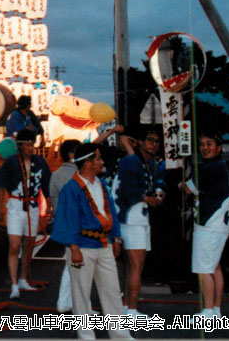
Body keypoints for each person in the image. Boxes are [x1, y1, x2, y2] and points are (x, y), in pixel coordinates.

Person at [52, 143, 130, 339]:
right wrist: (74, 248)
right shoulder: (72, 188)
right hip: (81, 246)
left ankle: (120, 334)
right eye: (98, 158)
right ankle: (86, 336)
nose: (102, 162)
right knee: (81, 294)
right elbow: (68, 218)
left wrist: (116, 238)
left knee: (112, 291)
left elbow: (111, 211)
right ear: (87, 163)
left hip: (104, 244)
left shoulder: (101, 184)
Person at [111, 129, 164, 317]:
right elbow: (125, 190)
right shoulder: (132, 161)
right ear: (139, 142)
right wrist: (147, 199)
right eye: (150, 140)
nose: (153, 144)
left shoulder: (146, 163)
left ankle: (127, 306)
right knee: (136, 266)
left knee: (131, 266)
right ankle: (132, 310)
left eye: (157, 141)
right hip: (131, 219)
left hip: (135, 217)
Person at [180, 132, 229, 318]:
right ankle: (215, 309)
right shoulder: (220, 166)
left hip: (210, 222)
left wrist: (180, 184)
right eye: (202, 144)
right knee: (214, 267)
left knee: (203, 269)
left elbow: (187, 188)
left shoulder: (210, 167)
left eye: (209, 143)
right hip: (218, 223)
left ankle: (209, 312)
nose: (205, 148)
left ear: (219, 148)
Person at [0, 128, 52, 299]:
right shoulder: (11, 162)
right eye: (27, 145)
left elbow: (46, 184)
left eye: (32, 144)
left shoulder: (40, 162)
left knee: (28, 246)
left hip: (33, 206)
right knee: (14, 245)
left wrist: (49, 205)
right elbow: (0, 184)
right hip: (15, 205)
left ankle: (23, 279)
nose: (30, 148)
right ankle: (14, 284)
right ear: (20, 146)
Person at [48, 139, 81, 312]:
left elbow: (53, 202)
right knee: (79, 265)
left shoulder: (56, 174)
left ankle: (66, 301)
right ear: (72, 154)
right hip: (80, 225)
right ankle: (70, 302)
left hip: (64, 224)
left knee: (74, 264)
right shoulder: (81, 174)